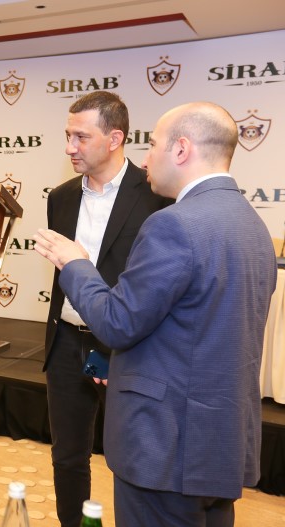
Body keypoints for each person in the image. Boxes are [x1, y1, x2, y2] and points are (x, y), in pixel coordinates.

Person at [33, 101, 277, 527]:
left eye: (153, 145)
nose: (146, 159)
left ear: (181, 149)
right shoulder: (252, 224)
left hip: (167, 446)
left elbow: (118, 323)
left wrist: (76, 264)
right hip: (217, 443)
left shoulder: (174, 223)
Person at [42, 91, 171, 527]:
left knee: (133, 459)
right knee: (67, 456)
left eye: (81, 137)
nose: (69, 147)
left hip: (126, 347)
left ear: (115, 138)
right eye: (68, 135)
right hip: (66, 343)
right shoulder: (60, 197)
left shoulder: (155, 195)